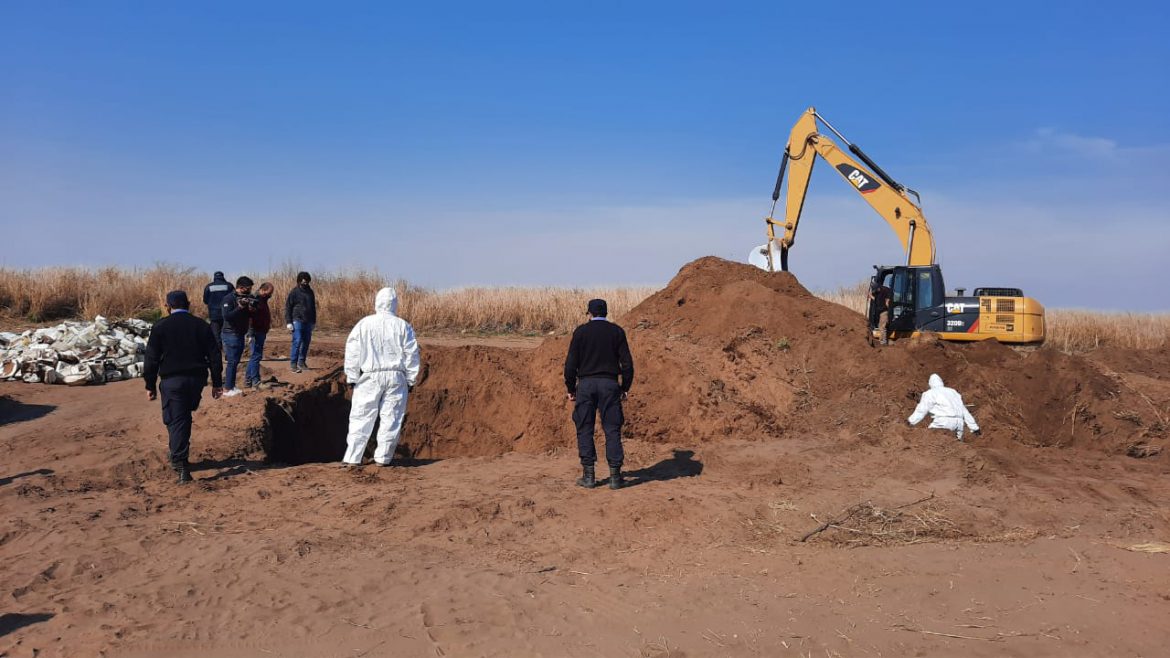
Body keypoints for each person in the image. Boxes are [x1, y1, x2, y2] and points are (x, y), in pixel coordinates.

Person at [144, 290, 223, 483]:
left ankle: (181, 464)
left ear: (167, 306)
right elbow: (214, 356)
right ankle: (177, 454)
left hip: (173, 380)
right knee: (179, 417)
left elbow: (151, 358)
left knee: (178, 419)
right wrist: (217, 383)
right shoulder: (201, 325)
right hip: (196, 380)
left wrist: (150, 384)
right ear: (189, 304)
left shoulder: (161, 326)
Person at [342, 287, 421, 468]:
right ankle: (383, 459)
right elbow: (411, 353)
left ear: (377, 302)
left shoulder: (364, 324)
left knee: (361, 416)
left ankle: (353, 458)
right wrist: (411, 378)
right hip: (396, 377)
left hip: (370, 376)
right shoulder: (403, 325)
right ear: (395, 304)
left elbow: (353, 351)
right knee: (391, 417)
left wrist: (352, 376)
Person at [564, 298, 634, 490]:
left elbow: (570, 365)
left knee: (584, 427)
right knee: (612, 429)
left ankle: (589, 476)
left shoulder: (581, 332)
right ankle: (615, 477)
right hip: (610, 385)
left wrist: (571, 389)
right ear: (606, 313)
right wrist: (625, 388)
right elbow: (627, 364)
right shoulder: (617, 332)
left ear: (590, 313)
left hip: (586, 385)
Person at [908, 373, 982, 441]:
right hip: (959, 423)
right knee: (957, 445)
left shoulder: (930, 393)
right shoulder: (953, 392)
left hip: (943, 422)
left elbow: (921, 410)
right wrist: (974, 428)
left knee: (930, 439)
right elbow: (964, 410)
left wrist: (911, 421)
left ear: (930, 384)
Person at [219, 276, 256, 397]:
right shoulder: (228, 299)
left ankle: (231, 386)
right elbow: (227, 317)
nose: (249, 291)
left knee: (235, 362)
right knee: (232, 361)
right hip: (230, 334)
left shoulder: (247, 298)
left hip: (240, 333)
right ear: (240, 288)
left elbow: (250, 315)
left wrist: (251, 307)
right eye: (248, 289)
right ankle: (227, 389)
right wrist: (239, 307)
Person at [285, 271, 317, 373]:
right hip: (297, 320)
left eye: (306, 282)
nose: (305, 283)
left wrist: (313, 321)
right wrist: (289, 322)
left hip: (308, 321)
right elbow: (288, 307)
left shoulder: (310, 292)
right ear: (299, 281)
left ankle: (302, 362)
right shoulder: (294, 292)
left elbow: (313, 307)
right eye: (303, 282)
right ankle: (293, 363)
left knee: (306, 341)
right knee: (297, 340)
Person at [244, 282, 274, 389]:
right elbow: (250, 318)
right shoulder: (254, 299)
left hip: (261, 331)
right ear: (263, 290)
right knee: (256, 356)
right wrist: (250, 334)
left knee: (254, 356)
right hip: (255, 332)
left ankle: (248, 380)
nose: (271, 295)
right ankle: (255, 381)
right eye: (269, 292)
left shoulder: (263, 299)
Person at [202, 271, 231, 348]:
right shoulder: (229, 285)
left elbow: (205, 300)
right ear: (223, 277)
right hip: (227, 314)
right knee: (227, 333)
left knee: (216, 334)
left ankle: (218, 353)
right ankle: (228, 354)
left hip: (214, 314)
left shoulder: (208, 286)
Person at [869, 275, 893, 345]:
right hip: (880, 311)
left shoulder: (886, 290)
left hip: (884, 311)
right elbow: (877, 301)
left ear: (878, 288)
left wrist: (888, 304)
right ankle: (883, 340)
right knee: (880, 326)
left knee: (882, 327)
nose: (875, 291)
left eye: (875, 290)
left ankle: (883, 342)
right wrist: (871, 297)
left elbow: (888, 300)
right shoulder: (876, 292)